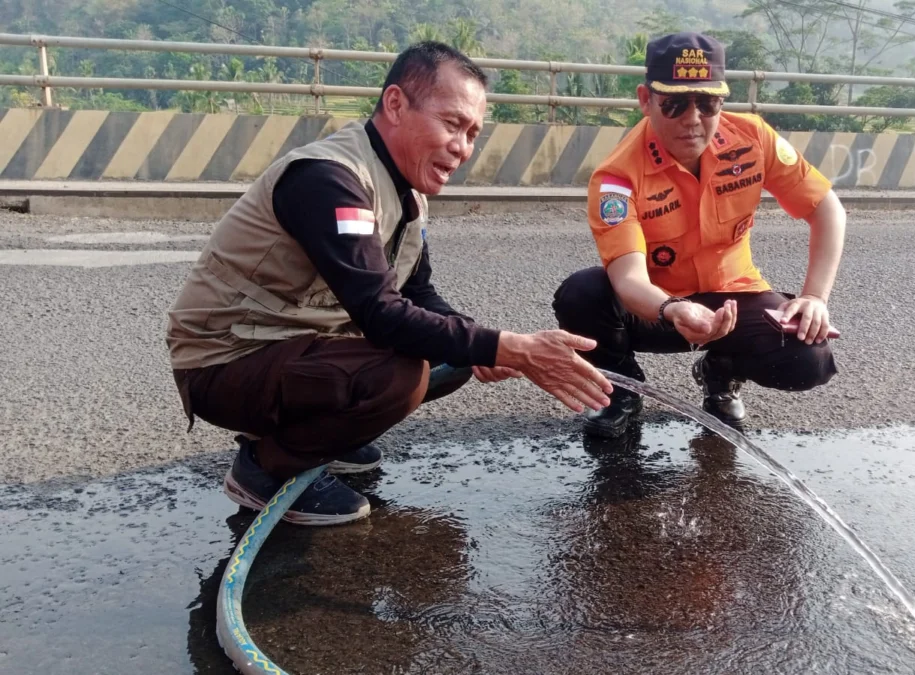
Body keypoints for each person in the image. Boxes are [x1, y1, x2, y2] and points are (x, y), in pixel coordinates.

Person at [166, 42, 612, 526]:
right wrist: (508, 347)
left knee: (453, 355)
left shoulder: (406, 192)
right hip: (224, 362)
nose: (462, 147)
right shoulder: (329, 179)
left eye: (472, 133)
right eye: (452, 124)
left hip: (291, 349)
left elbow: (418, 294)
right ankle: (267, 467)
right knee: (399, 378)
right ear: (396, 104)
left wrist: (484, 344)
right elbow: (380, 312)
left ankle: (325, 436)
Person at [552, 32, 845, 439]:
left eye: (707, 103)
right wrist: (674, 309)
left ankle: (721, 371)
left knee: (808, 359)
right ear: (645, 99)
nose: (692, 119)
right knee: (582, 293)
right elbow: (629, 280)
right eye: (674, 103)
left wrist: (814, 297)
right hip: (659, 310)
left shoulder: (753, 138)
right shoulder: (617, 177)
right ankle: (622, 389)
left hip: (733, 298)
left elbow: (826, 208)